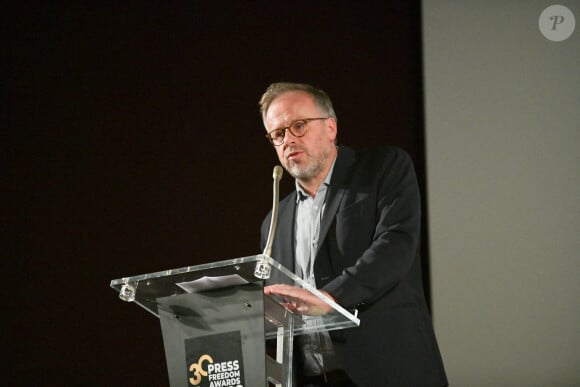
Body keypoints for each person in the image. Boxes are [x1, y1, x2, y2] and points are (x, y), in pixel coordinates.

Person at [258, 82, 448, 387]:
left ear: (331, 128)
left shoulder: (382, 170)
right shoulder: (274, 221)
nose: (288, 140)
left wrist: (332, 298)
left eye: (299, 126)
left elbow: (395, 246)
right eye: (278, 134)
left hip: (389, 372)